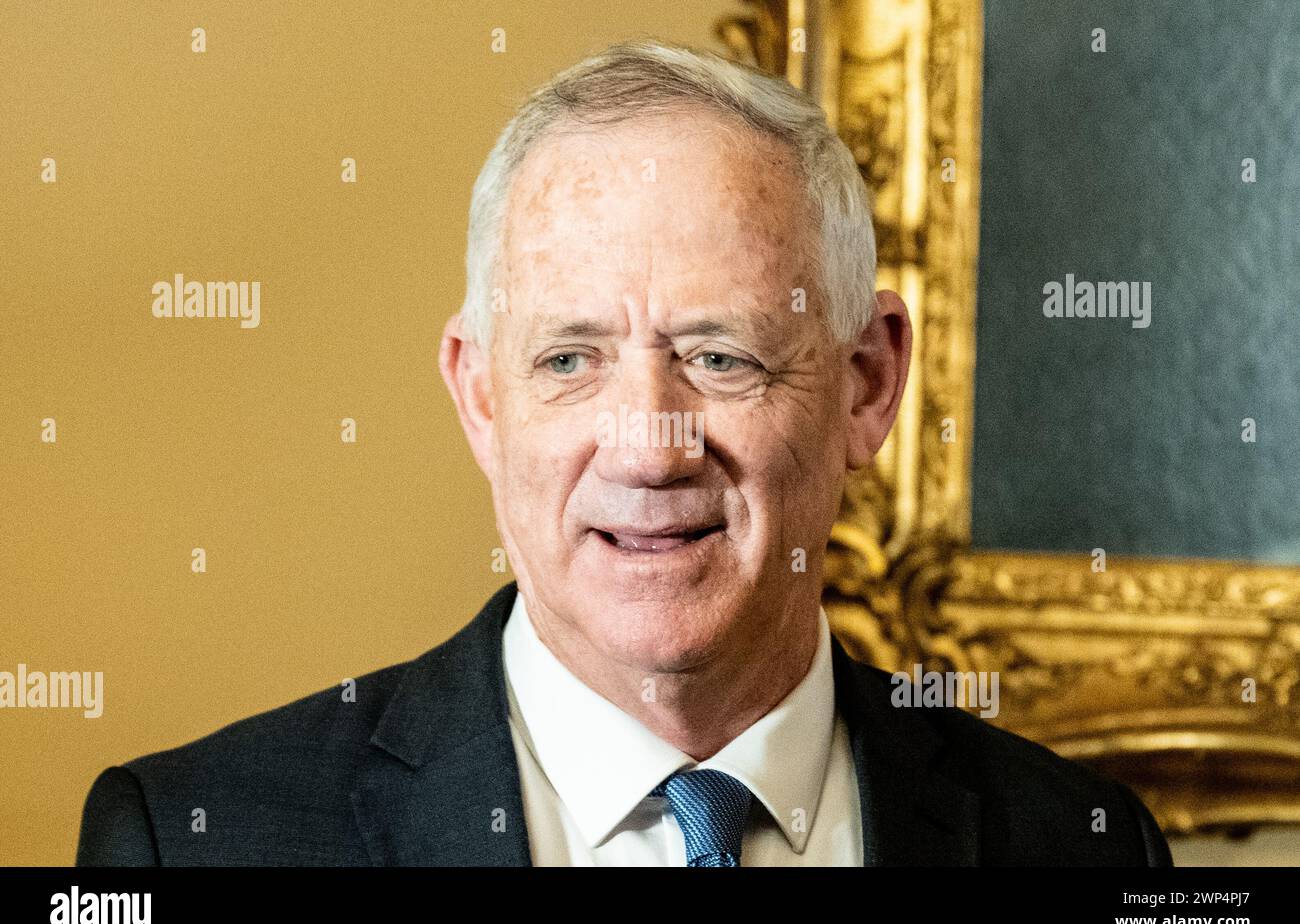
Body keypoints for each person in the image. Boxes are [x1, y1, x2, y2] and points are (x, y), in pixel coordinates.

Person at [77, 39, 1171, 867]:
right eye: (567, 360)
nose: (649, 450)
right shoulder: (194, 841)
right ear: (478, 394)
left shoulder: (1082, 845)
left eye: (719, 354)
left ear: (866, 384)